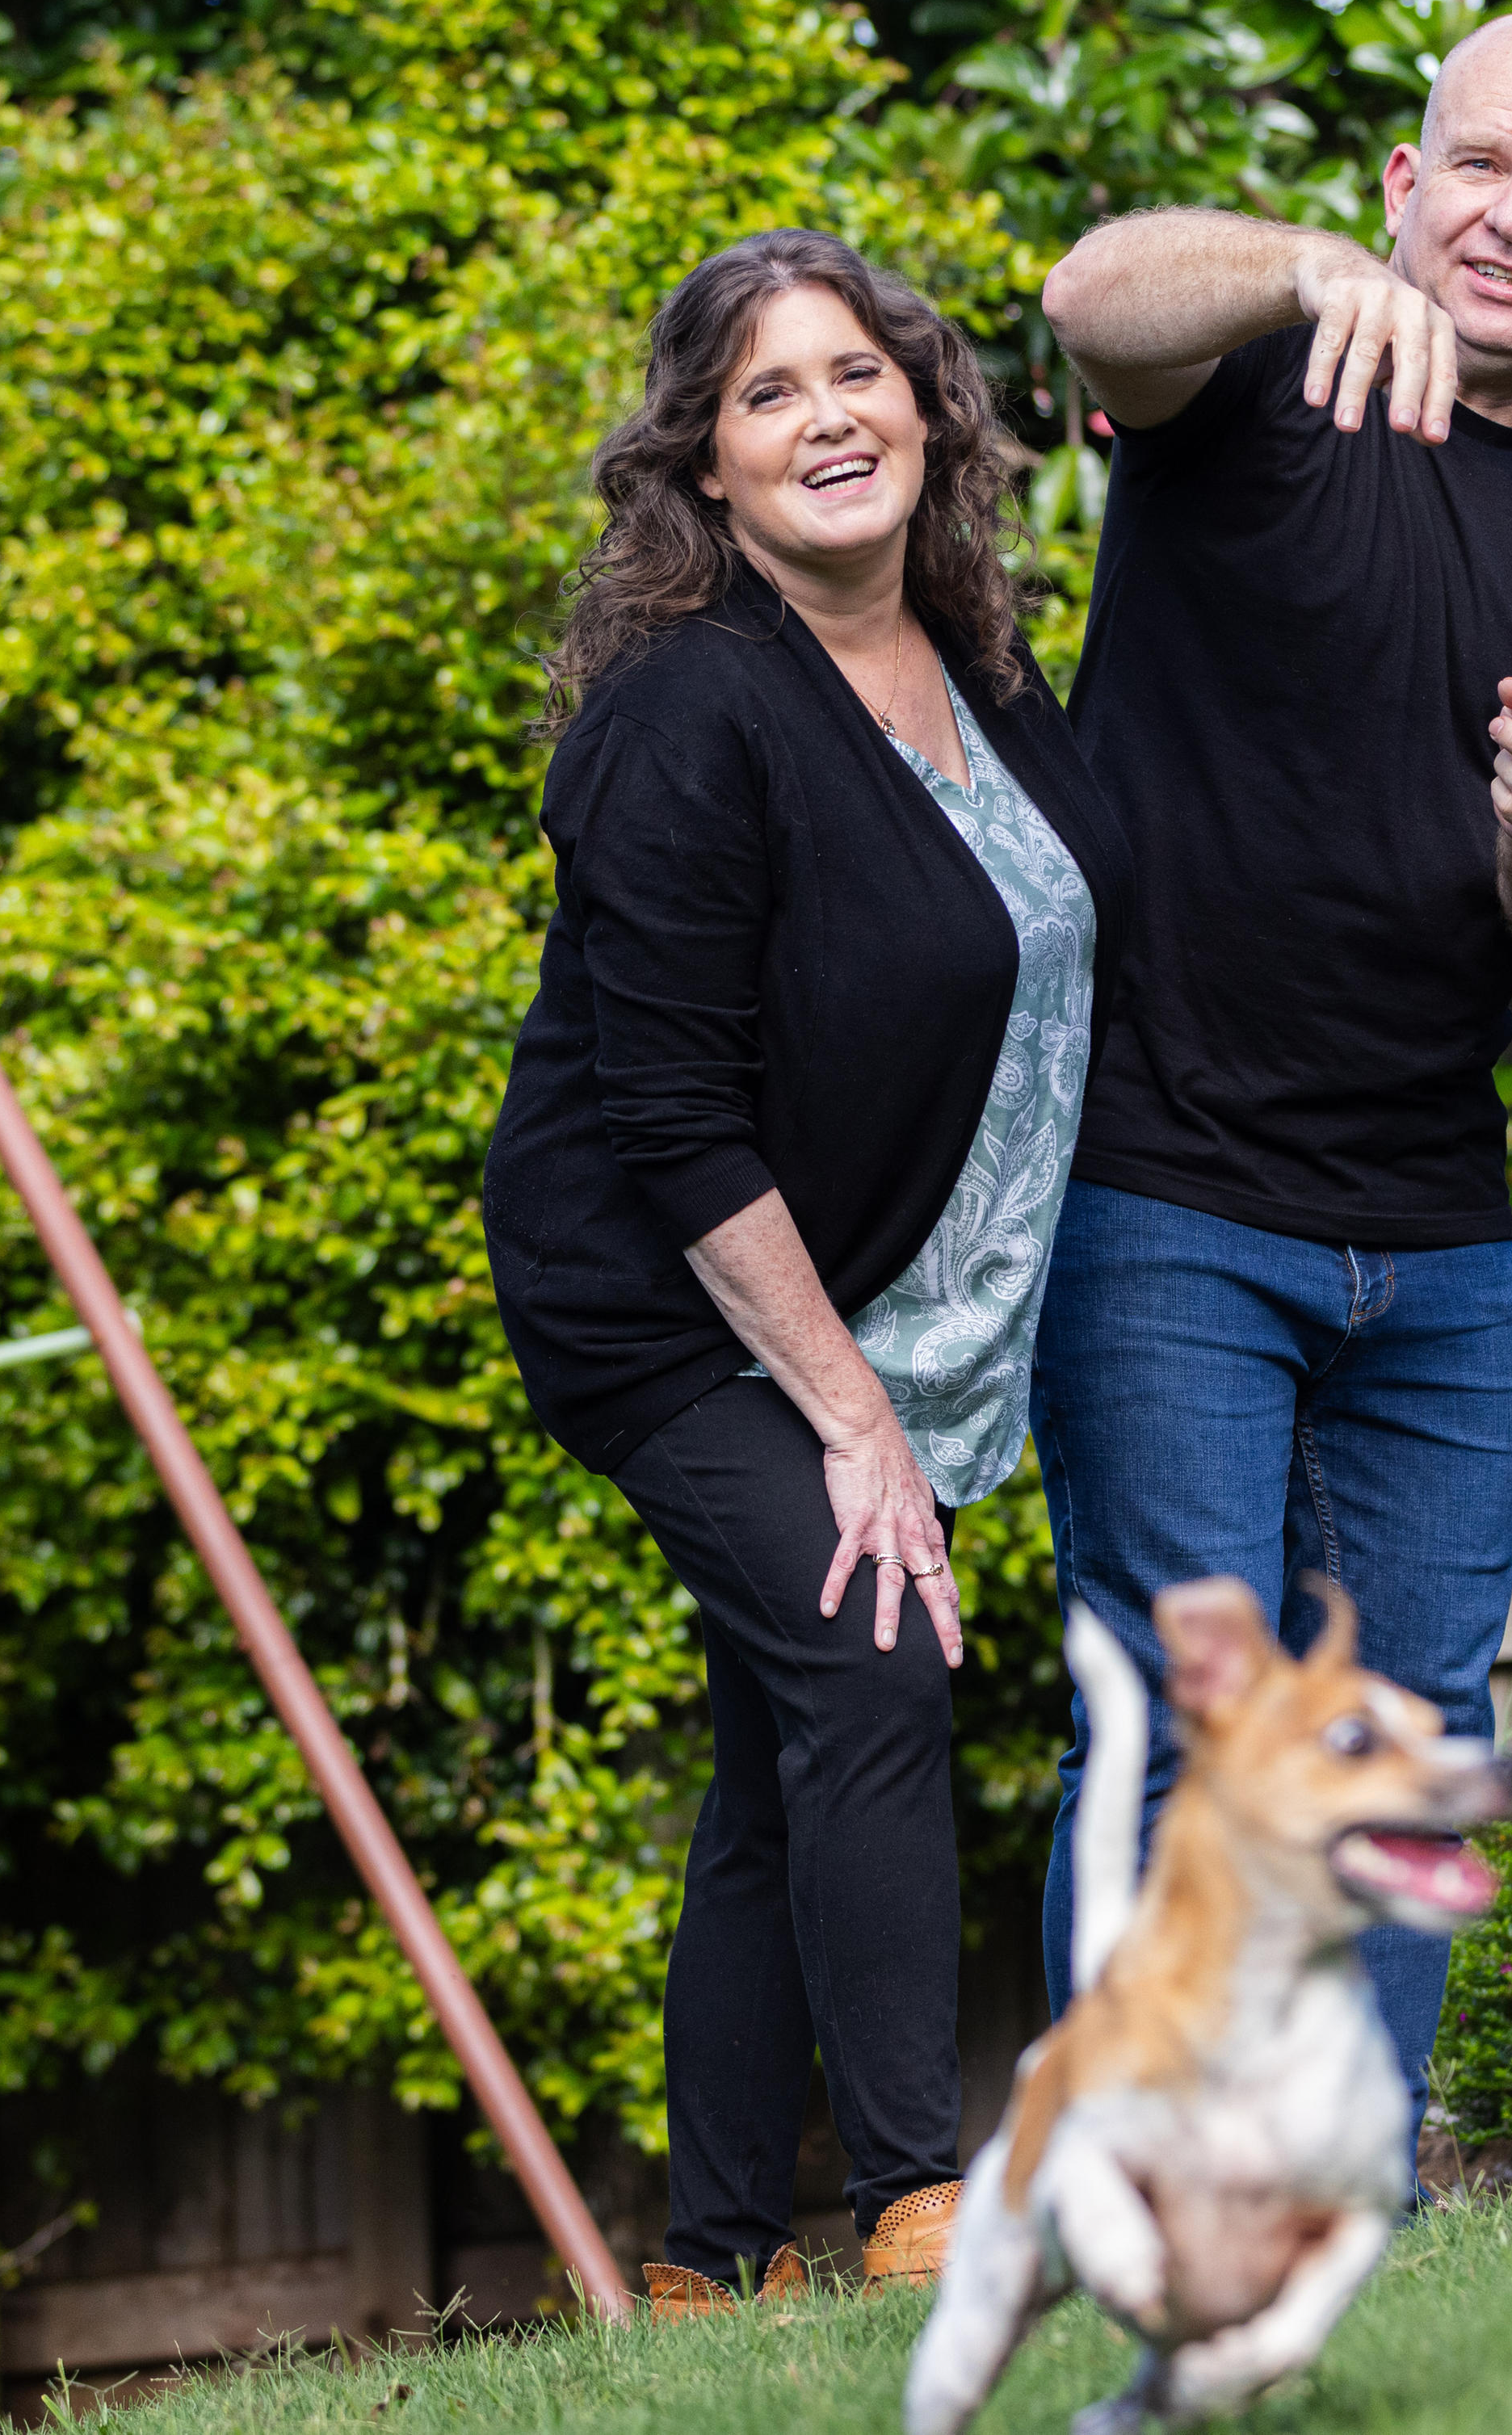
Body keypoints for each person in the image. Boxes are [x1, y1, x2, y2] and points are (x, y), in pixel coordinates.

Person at [1030, 8, 1512, 2116]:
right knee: (1178, 1714)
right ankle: (1151, 2182)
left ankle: (1355, 2192)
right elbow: (1090, 295)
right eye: (1482, 166)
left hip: (1428, 1233)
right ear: (1412, 182)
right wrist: (1301, 267)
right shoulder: (1253, 373)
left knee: (1413, 1723)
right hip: (1159, 1184)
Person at [481, 230, 1136, 2312]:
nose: (826, 417)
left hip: (877, 1308)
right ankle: (918, 2205)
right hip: (675, 1304)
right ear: (708, 470)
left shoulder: (988, 674)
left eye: (857, 374)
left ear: (929, 411)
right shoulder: (688, 717)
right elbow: (668, 1117)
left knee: (781, 1762)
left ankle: (710, 2262)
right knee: (867, 1664)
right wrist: (849, 1415)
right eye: (768, 396)